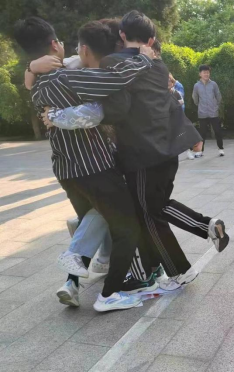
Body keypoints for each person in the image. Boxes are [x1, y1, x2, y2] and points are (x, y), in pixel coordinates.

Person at [35, 11, 231, 293]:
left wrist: (58, 116)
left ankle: (188, 256)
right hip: (166, 152)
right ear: (151, 40)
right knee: (154, 208)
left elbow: (115, 108)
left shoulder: (113, 63)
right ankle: (190, 250)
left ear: (122, 35)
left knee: (149, 211)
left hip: (141, 155)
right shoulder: (159, 65)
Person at [14, 17, 155, 312]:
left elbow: (66, 68)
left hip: (66, 171)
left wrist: (30, 68)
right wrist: (144, 58)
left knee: (95, 220)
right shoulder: (68, 79)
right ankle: (111, 292)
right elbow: (114, 79)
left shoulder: (39, 83)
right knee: (125, 226)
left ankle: (76, 278)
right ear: (54, 44)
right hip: (93, 166)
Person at [193, 64, 224, 157]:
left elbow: (218, 96)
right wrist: (199, 105)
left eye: (208, 72)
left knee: (217, 131)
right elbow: (195, 98)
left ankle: (221, 149)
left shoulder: (213, 84)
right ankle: (200, 151)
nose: (206, 74)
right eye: (204, 72)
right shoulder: (196, 86)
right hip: (202, 113)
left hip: (213, 112)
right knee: (202, 133)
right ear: (200, 74)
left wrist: (215, 106)